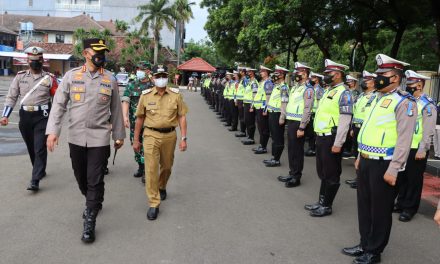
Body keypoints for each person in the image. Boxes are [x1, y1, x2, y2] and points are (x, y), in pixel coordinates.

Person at [46, 38, 126, 243]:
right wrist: (53, 131)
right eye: (97, 51)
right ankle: (93, 199)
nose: (102, 55)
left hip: (100, 137)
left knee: (95, 178)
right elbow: (59, 105)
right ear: (86, 54)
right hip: (76, 136)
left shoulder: (110, 79)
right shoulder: (72, 77)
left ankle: (90, 220)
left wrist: (118, 136)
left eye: (104, 52)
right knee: (81, 177)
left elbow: (116, 110)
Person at [342, 54, 417, 264]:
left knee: (380, 210)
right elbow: (366, 129)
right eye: (378, 74)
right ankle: (365, 243)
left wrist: (394, 168)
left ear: (395, 78)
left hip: (384, 163)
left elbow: (405, 138)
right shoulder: (376, 98)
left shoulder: (404, 102)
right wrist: (359, 156)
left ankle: (374, 251)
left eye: (382, 74)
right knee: (364, 206)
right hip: (366, 159)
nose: (377, 78)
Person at [133, 65, 188, 221]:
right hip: (150, 135)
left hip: (170, 135)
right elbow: (140, 118)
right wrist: (136, 139)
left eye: (163, 75)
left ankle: (162, 185)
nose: (161, 78)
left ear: (167, 77)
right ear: (153, 78)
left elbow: (182, 117)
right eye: (158, 76)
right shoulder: (146, 95)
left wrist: (184, 138)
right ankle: (153, 202)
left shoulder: (176, 95)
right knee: (150, 168)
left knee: (167, 166)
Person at [1, 46, 58, 191]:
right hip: (25, 117)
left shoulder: (49, 79)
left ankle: (35, 180)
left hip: (42, 117)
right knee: (32, 147)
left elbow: (58, 100)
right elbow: (11, 96)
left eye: (38, 60)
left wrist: (56, 121)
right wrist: (5, 115)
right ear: (27, 61)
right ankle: (39, 169)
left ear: (42, 61)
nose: (35, 62)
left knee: (39, 147)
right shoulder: (20, 77)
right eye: (32, 60)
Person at [304, 59, 352, 217]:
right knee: (323, 172)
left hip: (332, 138)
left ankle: (327, 206)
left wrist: (339, 143)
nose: (325, 76)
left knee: (331, 173)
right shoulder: (328, 90)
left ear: (338, 75)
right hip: (322, 136)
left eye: (329, 74)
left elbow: (345, 121)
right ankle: (321, 201)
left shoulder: (344, 93)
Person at [394, 70, 436, 222]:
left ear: (419, 85)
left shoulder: (427, 105)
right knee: (402, 177)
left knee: (414, 180)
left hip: (416, 148)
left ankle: (409, 208)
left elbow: (429, 130)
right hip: (405, 146)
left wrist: (423, 149)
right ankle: (401, 203)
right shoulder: (408, 101)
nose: (408, 86)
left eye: (411, 84)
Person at [278, 62, 314, 187]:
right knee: (291, 149)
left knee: (297, 151)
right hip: (291, 121)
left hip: (299, 123)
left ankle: (296, 177)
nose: (295, 75)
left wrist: (302, 127)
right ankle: (291, 172)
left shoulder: (308, 89)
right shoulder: (295, 87)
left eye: (298, 73)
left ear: (304, 74)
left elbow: (307, 109)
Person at [121, 61, 153, 183]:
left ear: (148, 71)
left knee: (148, 146)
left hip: (151, 123)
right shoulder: (132, 85)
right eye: (138, 68)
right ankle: (140, 165)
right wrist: (125, 117)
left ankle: (146, 170)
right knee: (136, 144)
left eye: (142, 69)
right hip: (135, 123)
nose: (139, 71)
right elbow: (125, 101)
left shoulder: (153, 86)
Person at [345, 70, 377, 189]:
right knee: (356, 154)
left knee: (363, 156)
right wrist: (353, 127)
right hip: (357, 128)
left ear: (373, 82)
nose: (364, 82)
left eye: (367, 80)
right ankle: (358, 177)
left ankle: (362, 180)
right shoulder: (361, 95)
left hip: (366, 129)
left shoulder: (375, 97)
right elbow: (356, 112)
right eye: (364, 80)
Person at [264, 65, 289, 167]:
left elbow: (284, 103)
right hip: (272, 113)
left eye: (277, 74)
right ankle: (274, 157)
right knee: (274, 136)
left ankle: (277, 159)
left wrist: (282, 117)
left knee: (278, 137)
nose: (275, 76)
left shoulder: (284, 88)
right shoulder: (276, 86)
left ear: (282, 75)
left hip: (278, 114)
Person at [252, 65, 274, 154]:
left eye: (262, 71)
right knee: (260, 128)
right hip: (258, 107)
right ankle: (261, 145)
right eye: (260, 71)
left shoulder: (268, 83)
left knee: (264, 129)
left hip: (262, 108)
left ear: (266, 73)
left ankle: (263, 147)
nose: (260, 73)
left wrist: (265, 109)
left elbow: (267, 98)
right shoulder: (262, 82)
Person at [305, 72, 324, 157]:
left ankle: (313, 149)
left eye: (313, 77)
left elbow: (320, 103)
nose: (311, 78)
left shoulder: (319, 89)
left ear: (317, 79)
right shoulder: (310, 88)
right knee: (310, 132)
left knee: (313, 132)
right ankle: (310, 147)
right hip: (311, 112)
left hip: (315, 113)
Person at [342, 75, 360, 158]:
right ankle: (345, 148)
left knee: (350, 132)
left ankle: (349, 150)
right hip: (345, 112)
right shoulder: (346, 91)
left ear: (354, 83)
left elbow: (354, 103)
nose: (349, 83)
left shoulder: (356, 93)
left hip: (352, 113)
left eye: (351, 81)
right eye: (348, 81)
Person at [242, 68, 258, 145]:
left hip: (250, 104)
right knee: (247, 121)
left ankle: (251, 138)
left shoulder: (254, 83)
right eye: (247, 72)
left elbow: (254, 95)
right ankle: (249, 136)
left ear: (252, 73)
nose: (248, 73)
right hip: (246, 103)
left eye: (249, 72)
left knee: (250, 121)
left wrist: (252, 106)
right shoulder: (249, 82)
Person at [235, 67, 248, 137]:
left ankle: (243, 132)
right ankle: (242, 130)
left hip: (242, 100)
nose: (239, 72)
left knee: (242, 116)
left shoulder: (245, 80)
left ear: (243, 72)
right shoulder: (241, 80)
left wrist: (243, 101)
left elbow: (246, 91)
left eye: (240, 71)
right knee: (241, 116)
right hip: (239, 100)